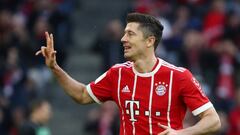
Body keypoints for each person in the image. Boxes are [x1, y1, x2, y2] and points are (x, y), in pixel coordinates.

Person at [35, 12, 221, 135]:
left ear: (149, 41)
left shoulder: (179, 76)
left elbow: (213, 121)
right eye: (124, 33)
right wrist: (55, 68)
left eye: (130, 34)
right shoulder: (117, 74)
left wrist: (181, 133)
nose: (123, 39)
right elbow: (82, 95)